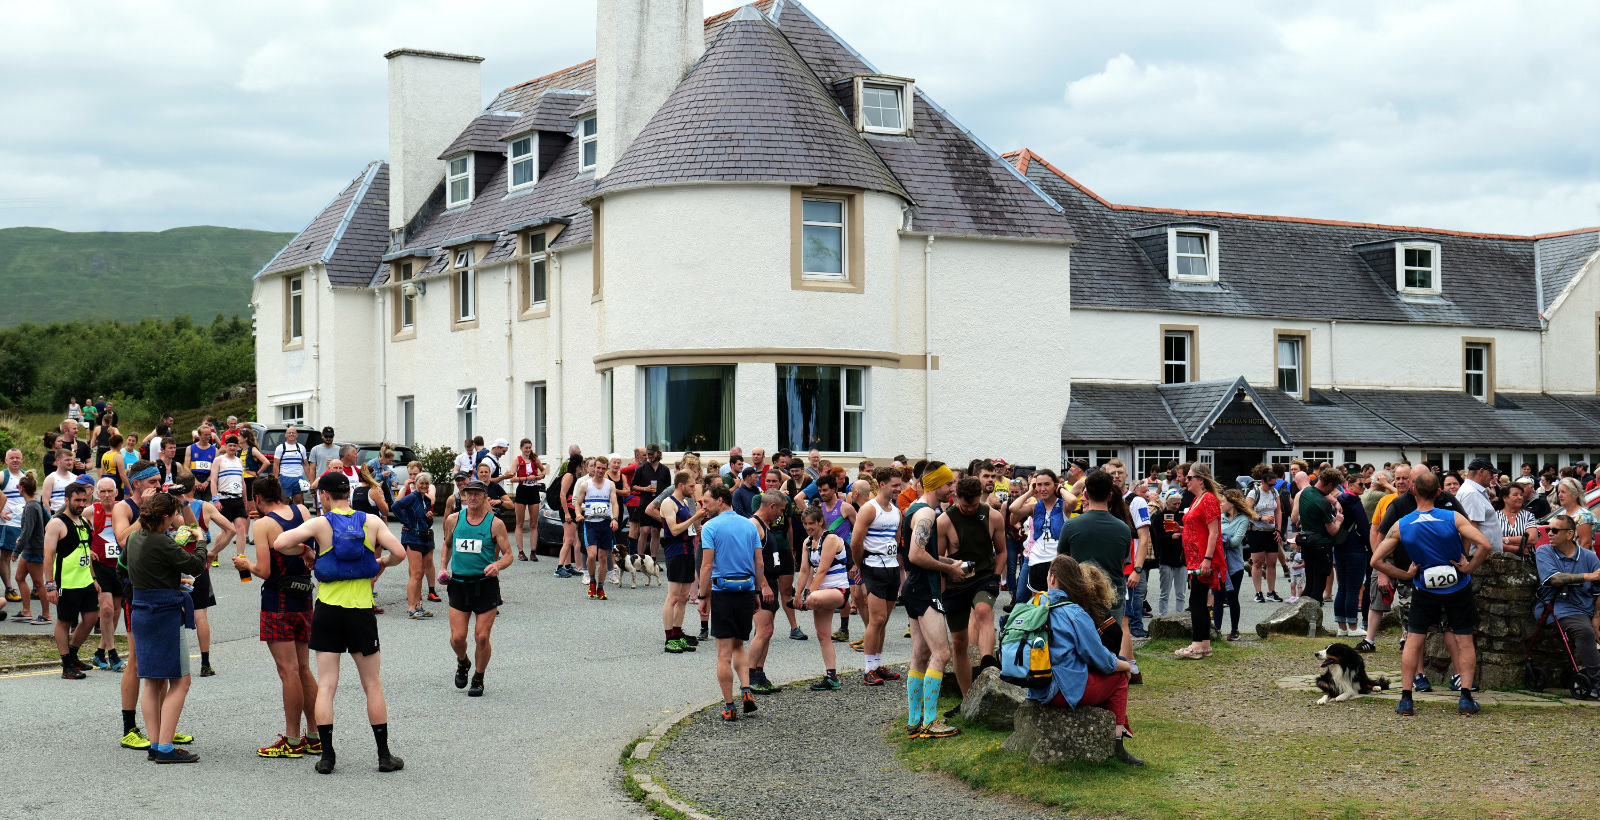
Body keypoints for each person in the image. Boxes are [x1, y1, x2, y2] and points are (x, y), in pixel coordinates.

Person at [274, 471, 407, 774]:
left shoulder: (321, 524)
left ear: (323, 495)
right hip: (360, 612)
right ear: (348, 493)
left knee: (328, 685)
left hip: (328, 611)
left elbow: (281, 542)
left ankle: (328, 757)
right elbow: (399, 552)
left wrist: (308, 550)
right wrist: (381, 563)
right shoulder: (370, 522)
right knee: (372, 683)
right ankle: (384, 755)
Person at [1373, 470, 1490, 717]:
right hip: (1457, 585)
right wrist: (1469, 567)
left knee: (1414, 640)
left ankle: (1406, 699)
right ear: (1439, 492)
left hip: (1424, 586)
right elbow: (1485, 545)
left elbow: (1376, 560)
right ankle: (1466, 698)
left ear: (1414, 490)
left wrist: (1405, 575)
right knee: (1464, 640)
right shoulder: (1453, 517)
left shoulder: (1402, 524)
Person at [234, 477, 321, 758]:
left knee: (288, 671)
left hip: (277, 600)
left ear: (258, 499)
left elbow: (264, 570)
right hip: (304, 596)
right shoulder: (302, 511)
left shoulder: (263, 525)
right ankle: (316, 734)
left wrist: (245, 563)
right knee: (304, 668)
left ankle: (293, 740)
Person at [1026, 554, 1141, 764]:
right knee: (1119, 678)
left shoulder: (1033, 603)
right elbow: (1102, 660)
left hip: (1034, 686)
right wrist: (1125, 666)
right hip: (1062, 690)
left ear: (1052, 579)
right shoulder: (1075, 613)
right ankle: (1117, 745)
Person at [125, 491, 205, 763]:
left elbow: (121, 569)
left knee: (152, 682)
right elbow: (195, 564)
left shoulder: (134, 538)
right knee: (181, 681)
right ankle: (166, 747)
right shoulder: (162, 542)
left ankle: (155, 744)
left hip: (141, 610)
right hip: (164, 613)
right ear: (168, 517)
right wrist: (201, 540)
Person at [899, 463, 966, 738]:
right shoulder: (926, 512)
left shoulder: (914, 507)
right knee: (942, 654)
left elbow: (921, 553)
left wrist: (947, 560)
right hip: (924, 591)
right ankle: (929, 721)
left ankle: (916, 721)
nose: (952, 489)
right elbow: (915, 555)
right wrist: (949, 570)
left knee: (920, 654)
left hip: (913, 588)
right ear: (937, 484)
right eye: (949, 484)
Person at [696, 484, 772, 721]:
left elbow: (707, 566)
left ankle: (729, 706)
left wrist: (701, 596)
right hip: (747, 590)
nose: (703, 507)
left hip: (723, 591)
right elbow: (759, 564)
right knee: (739, 645)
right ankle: (746, 690)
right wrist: (758, 592)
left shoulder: (710, 527)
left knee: (724, 654)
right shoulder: (750, 525)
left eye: (706, 502)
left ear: (720, 500)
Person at [441, 479, 513, 697]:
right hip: (459, 585)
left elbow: (509, 554)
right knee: (457, 638)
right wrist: (443, 567)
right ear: (463, 496)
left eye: (476, 494)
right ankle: (463, 662)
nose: (472, 497)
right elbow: (446, 545)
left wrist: (498, 564)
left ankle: (478, 678)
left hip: (485, 585)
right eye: (468, 494)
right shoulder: (454, 520)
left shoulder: (495, 524)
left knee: (481, 637)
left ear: (484, 497)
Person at [939, 476, 1006, 697]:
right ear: (956, 497)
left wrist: (996, 576)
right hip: (956, 581)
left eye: (974, 505)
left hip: (983, 576)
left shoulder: (993, 516)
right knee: (959, 641)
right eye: (965, 505)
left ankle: (988, 666)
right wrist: (950, 570)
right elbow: (937, 558)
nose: (969, 509)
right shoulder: (944, 521)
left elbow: (1002, 551)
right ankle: (968, 696)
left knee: (983, 611)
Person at [173, 472, 234, 677]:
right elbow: (231, 530)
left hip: (174, 565)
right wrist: (213, 553)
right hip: (198, 565)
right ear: (194, 487)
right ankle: (205, 663)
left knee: (173, 612)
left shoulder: (168, 505)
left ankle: (174, 661)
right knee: (200, 614)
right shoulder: (204, 506)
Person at [850, 466, 905, 686]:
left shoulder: (895, 510)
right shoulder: (869, 509)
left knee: (884, 621)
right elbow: (856, 542)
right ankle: (869, 669)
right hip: (873, 567)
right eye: (894, 485)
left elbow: (896, 540)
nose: (898, 489)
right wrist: (859, 566)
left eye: (899, 485)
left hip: (891, 568)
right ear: (882, 485)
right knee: (877, 619)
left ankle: (878, 664)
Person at [1534, 514, 1600, 697]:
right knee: (1584, 631)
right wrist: (1589, 576)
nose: (1549, 534)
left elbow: (1599, 590)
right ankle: (1598, 684)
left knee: (1590, 627)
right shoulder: (1544, 551)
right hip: (1557, 607)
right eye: (1548, 530)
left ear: (1570, 534)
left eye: (1554, 530)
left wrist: (1596, 618)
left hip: (1587, 608)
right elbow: (1555, 579)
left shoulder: (1589, 557)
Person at [42, 482, 98, 678]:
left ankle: (73, 655)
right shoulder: (57, 523)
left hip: (85, 581)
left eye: (84, 500)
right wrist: (50, 586)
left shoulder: (83, 522)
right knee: (65, 622)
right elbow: (48, 556)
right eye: (77, 500)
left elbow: (84, 550)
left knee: (91, 618)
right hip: (66, 583)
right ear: (67, 500)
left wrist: (93, 577)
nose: (81, 503)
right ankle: (66, 665)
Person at [794, 505, 852, 691]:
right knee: (822, 635)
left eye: (811, 523)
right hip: (821, 591)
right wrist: (797, 594)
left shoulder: (831, 538)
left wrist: (808, 595)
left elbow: (823, 570)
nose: (808, 527)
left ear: (821, 522)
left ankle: (806, 603)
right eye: (805, 524)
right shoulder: (807, 543)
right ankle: (831, 677)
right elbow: (804, 570)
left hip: (838, 590)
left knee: (813, 600)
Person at [1176, 464, 1224, 660]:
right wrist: (1181, 530)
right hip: (1195, 558)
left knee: (1196, 600)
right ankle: (1204, 644)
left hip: (1203, 559)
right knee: (1200, 600)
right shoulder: (1198, 499)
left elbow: (1214, 532)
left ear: (1200, 480)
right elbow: (1198, 527)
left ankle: (1196, 646)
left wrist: (1207, 559)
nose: (1186, 481)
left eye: (1189, 478)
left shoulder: (1209, 499)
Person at [745, 491, 792, 692]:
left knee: (767, 631)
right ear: (772, 507)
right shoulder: (754, 525)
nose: (781, 515)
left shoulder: (766, 526)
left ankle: (759, 673)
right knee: (763, 630)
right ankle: (749, 676)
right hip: (762, 585)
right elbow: (751, 559)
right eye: (780, 510)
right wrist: (763, 585)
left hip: (771, 581)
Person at [655, 471, 705, 653]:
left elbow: (690, 527)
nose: (694, 489)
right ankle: (669, 638)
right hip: (675, 550)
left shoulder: (685, 503)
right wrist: (695, 517)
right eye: (691, 486)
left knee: (684, 597)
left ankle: (677, 634)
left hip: (688, 550)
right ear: (681, 485)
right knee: (673, 597)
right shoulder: (668, 503)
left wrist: (697, 525)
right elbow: (674, 530)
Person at [1009, 469, 1081, 593]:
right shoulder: (1034, 506)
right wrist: (1030, 492)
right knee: (1037, 600)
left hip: (1057, 560)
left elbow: (1073, 501)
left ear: (1055, 485)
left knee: (1056, 599)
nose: (1042, 488)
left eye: (1047, 484)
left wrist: (1061, 489)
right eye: (1039, 484)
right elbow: (1013, 508)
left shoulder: (1063, 505)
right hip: (1037, 559)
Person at [1296, 468, 1346, 605]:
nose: (1333, 490)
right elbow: (1332, 531)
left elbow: (1321, 493)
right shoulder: (1322, 503)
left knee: (1310, 581)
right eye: (1334, 487)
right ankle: (1313, 620)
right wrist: (1339, 520)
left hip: (1307, 543)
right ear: (1329, 485)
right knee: (1318, 587)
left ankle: (1300, 614)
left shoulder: (1306, 492)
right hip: (1321, 545)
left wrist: (1335, 502)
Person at [573, 457, 620, 600]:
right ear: (592, 468)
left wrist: (615, 519)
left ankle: (600, 587)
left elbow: (615, 503)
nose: (599, 471)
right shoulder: (585, 485)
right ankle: (592, 581)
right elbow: (577, 503)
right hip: (591, 524)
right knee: (592, 555)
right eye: (597, 468)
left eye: (603, 468)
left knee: (603, 558)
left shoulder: (610, 485)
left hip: (605, 524)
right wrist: (578, 514)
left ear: (606, 469)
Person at [393, 471, 438, 619]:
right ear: (416, 484)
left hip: (425, 536)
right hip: (412, 537)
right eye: (421, 483)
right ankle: (412, 608)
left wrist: (429, 519)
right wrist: (406, 522)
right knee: (416, 573)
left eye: (426, 483)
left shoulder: (425, 499)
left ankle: (418, 606)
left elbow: (425, 521)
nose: (424, 485)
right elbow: (395, 507)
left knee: (421, 573)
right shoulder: (412, 497)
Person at [1212, 489, 1251, 641]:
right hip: (1219, 563)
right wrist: (1224, 538)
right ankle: (1216, 629)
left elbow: (1235, 542)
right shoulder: (1219, 518)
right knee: (1218, 598)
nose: (1221, 503)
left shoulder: (1243, 519)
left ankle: (1234, 630)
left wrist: (1220, 538)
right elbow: (1215, 536)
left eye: (1223, 501)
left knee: (1233, 597)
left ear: (1232, 503)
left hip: (1234, 565)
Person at [14, 473, 51, 624]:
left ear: (21, 488)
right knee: (19, 577)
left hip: (34, 549)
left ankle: (46, 615)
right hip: (29, 548)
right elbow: (48, 521)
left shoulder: (31, 507)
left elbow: (27, 530)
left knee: (38, 583)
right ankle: (26, 611)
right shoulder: (37, 504)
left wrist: (16, 550)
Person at [1245, 464, 1283, 603]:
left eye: (1274, 484)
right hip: (1257, 531)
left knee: (1272, 562)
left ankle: (1271, 591)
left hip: (1271, 531)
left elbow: (1278, 511)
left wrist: (1278, 528)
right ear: (1263, 482)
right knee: (1258, 562)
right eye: (1269, 485)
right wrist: (1261, 518)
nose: (1271, 487)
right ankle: (1258, 592)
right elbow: (1247, 512)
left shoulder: (1274, 492)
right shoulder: (1254, 493)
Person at [213, 435, 248, 560]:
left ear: (238, 447)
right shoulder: (219, 460)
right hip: (224, 499)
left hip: (237, 499)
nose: (232, 448)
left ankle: (240, 557)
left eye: (234, 445)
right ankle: (214, 554)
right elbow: (213, 480)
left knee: (241, 529)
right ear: (225, 446)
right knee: (225, 531)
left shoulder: (239, 461)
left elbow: (242, 482)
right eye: (230, 445)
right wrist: (215, 499)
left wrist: (245, 501)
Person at [1458, 458, 1504, 554]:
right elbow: (1471, 528)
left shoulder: (1473, 491)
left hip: (1482, 555)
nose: (1492, 477)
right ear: (1481, 471)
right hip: (1480, 556)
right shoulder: (1471, 493)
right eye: (1491, 473)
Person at [511, 439, 544, 561]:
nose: (528, 450)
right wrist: (526, 478)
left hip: (533, 490)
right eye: (526, 448)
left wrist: (541, 475)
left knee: (533, 523)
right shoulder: (517, 460)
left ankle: (533, 551)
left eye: (530, 448)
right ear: (521, 448)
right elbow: (512, 478)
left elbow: (543, 470)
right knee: (519, 523)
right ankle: (520, 551)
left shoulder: (535, 459)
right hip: (522, 490)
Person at [1554, 478, 1594, 553]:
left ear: (1575, 495)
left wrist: (1574, 562)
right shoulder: (1562, 514)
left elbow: (1586, 544)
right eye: (1559, 492)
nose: (1559, 495)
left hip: (1579, 561)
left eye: (1563, 492)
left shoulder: (1583, 515)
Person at [273, 426, 310, 506]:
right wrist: (276, 479)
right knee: (284, 502)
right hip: (285, 478)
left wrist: (310, 479)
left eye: (293, 433)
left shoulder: (301, 448)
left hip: (298, 478)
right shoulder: (280, 448)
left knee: (298, 501)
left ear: (297, 435)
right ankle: (285, 518)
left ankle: (297, 517)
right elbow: (276, 464)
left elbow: (305, 464)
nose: (291, 434)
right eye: (289, 433)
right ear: (285, 435)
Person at [1499, 483, 1538, 554]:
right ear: (1505, 498)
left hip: (1525, 562)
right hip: (1501, 562)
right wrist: (1516, 549)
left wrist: (1504, 540)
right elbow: (1491, 542)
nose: (1520, 497)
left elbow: (1532, 539)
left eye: (1521, 495)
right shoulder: (1495, 517)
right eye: (1515, 495)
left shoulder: (1528, 516)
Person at [185, 425, 218, 502]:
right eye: (205, 435)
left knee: (208, 506)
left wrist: (207, 481)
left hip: (208, 481)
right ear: (199, 435)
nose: (208, 437)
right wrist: (195, 481)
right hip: (194, 480)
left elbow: (215, 469)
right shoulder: (190, 448)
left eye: (209, 434)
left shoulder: (215, 450)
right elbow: (186, 467)